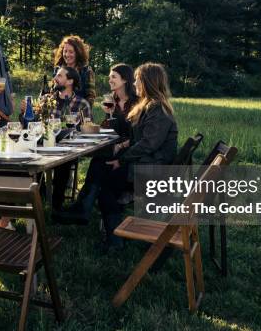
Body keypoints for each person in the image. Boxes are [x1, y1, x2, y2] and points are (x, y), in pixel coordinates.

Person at [97, 63, 178, 253]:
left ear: (147, 82)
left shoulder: (157, 109)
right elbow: (138, 140)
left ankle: (115, 241)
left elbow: (148, 144)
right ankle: (112, 231)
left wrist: (122, 160)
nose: (134, 84)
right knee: (104, 171)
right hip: (147, 164)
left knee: (106, 187)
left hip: (152, 170)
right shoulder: (149, 106)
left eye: (137, 80)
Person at [53, 63, 138, 224]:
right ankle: (82, 207)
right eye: (109, 77)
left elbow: (135, 133)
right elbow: (110, 128)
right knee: (98, 160)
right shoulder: (113, 100)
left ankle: (82, 208)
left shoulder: (136, 102)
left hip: (131, 149)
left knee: (100, 163)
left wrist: (121, 145)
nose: (109, 79)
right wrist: (108, 118)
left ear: (125, 80)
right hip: (116, 146)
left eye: (114, 76)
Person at [21, 66, 92, 211]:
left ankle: (56, 207)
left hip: (69, 147)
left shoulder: (82, 103)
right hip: (44, 144)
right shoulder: (46, 100)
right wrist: (25, 112)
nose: (55, 79)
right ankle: (37, 202)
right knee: (32, 161)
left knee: (63, 163)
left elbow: (87, 128)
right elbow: (31, 125)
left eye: (59, 76)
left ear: (70, 81)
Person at [53, 35, 96, 106]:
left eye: (71, 52)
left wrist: (79, 111)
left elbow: (90, 97)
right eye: (65, 51)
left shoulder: (86, 71)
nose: (67, 54)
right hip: (58, 112)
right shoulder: (58, 70)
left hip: (80, 113)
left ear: (78, 53)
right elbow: (53, 92)